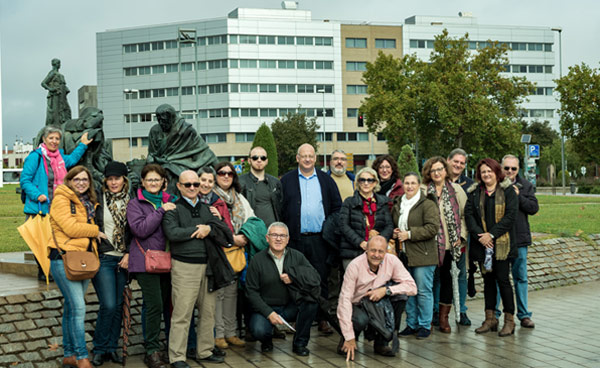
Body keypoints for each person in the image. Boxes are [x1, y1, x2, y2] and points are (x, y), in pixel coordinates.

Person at [162, 170, 224, 367]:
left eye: (195, 184)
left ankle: (204, 351)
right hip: (184, 267)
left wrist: (211, 228)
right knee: (182, 314)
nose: (192, 188)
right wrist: (200, 229)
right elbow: (172, 233)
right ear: (179, 186)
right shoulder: (172, 208)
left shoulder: (208, 209)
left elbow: (221, 231)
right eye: (187, 184)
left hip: (208, 267)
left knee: (208, 312)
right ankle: (177, 357)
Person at [280, 143, 342, 335]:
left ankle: (323, 318)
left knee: (320, 279)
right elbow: (280, 208)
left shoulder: (326, 180)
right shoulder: (287, 180)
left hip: (319, 240)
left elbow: (337, 208)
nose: (307, 159)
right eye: (303, 156)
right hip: (295, 240)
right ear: (297, 158)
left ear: (315, 158)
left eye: (311, 156)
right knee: (295, 279)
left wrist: (329, 230)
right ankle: (299, 319)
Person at [48, 166, 103, 368]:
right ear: (69, 181)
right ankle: (81, 356)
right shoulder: (62, 199)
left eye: (85, 180)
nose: (81, 183)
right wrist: (95, 231)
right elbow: (70, 228)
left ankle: (69, 354)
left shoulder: (86, 202)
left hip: (83, 258)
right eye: (77, 179)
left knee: (71, 308)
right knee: (79, 307)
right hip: (63, 258)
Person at [20, 126, 91, 281]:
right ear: (44, 139)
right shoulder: (36, 157)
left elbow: (72, 160)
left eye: (57, 139)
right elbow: (25, 180)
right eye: (51, 138)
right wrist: (37, 195)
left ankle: (56, 269)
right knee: (42, 241)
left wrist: (83, 144)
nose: (54, 141)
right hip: (41, 207)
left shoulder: (60, 157)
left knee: (57, 239)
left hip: (58, 207)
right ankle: (43, 271)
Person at [126, 164, 176, 368]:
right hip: (145, 262)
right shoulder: (135, 203)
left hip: (168, 260)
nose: (153, 183)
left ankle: (162, 346)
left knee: (163, 304)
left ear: (164, 181)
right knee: (154, 304)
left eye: (157, 179)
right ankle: (152, 350)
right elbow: (141, 229)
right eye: (149, 180)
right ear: (143, 182)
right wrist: (161, 211)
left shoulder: (172, 200)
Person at [337, 236, 417, 360]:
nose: (376, 255)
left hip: (377, 302)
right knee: (360, 320)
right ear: (366, 250)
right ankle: (349, 339)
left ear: (386, 252)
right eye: (373, 250)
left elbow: (412, 287)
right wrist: (349, 336)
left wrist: (386, 290)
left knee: (401, 297)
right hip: (357, 304)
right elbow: (344, 301)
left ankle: (382, 341)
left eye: (381, 251)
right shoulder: (354, 266)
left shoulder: (392, 261)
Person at [245, 222, 319, 356]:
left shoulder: (297, 256)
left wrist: (294, 277)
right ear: (267, 238)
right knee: (258, 330)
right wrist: (269, 313)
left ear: (288, 239)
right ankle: (266, 342)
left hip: (290, 307)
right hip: (266, 309)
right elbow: (251, 292)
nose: (278, 239)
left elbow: (315, 278)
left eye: (282, 235)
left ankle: (299, 344)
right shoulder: (257, 260)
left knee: (311, 303)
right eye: (274, 235)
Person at [464, 158, 518, 337]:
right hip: (483, 246)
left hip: (502, 244)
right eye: (483, 172)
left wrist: (492, 235)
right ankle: (490, 319)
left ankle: (509, 321)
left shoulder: (508, 191)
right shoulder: (475, 192)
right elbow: (469, 215)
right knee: (488, 282)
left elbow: (510, 216)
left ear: (496, 172)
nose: (486, 174)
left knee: (503, 281)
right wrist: (481, 236)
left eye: (489, 171)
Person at [421, 157, 467, 334]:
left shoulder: (456, 190)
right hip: (429, 244)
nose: (437, 173)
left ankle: (443, 318)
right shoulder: (424, 190)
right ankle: (429, 315)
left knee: (447, 281)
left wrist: (461, 236)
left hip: (450, 244)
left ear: (446, 171)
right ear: (428, 173)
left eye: (440, 169)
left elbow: (464, 215)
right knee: (430, 281)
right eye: (433, 170)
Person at [91, 161, 130, 366]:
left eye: (117, 178)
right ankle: (99, 348)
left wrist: (130, 253)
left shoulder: (131, 200)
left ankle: (111, 348)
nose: (114, 182)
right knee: (108, 304)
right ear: (105, 180)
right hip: (104, 257)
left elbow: (136, 230)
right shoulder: (97, 198)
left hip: (123, 259)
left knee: (118, 305)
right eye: (110, 178)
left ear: (124, 180)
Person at [213, 162, 255, 349]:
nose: (226, 176)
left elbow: (251, 219)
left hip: (235, 253)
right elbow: (213, 225)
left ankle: (231, 333)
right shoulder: (209, 197)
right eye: (221, 173)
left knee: (231, 294)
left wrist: (244, 236)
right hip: (217, 252)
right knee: (219, 295)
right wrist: (232, 239)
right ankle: (219, 334)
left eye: (230, 173)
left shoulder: (239, 198)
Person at [393, 172, 439, 340]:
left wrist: (410, 234)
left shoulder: (427, 204)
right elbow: (396, 224)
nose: (409, 186)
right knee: (408, 291)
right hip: (404, 254)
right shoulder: (399, 203)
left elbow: (433, 228)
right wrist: (396, 231)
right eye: (406, 183)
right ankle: (411, 324)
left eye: (413, 183)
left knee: (423, 291)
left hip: (423, 255)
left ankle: (425, 325)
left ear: (419, 185)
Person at [496, 154, 539, 328]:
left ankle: (524, 314)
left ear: (518, 169)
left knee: (520, 277)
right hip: (500, 239)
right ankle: (496, 315)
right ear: (501, 168)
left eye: (513, 169)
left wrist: (518, 195)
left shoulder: (526, 186)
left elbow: (533, 208)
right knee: (499, 278)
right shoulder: (495, 185)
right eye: (506, 168)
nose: (509, 172)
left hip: (519, 239)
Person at [147, 104, 217, 193]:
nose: (161, 123)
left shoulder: (185, 130)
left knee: (173, 176)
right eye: (159, 120)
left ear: (172, 118)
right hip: (161, 162)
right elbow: (152, 153)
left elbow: (202, 149)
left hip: (181, 163)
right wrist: (151, 158)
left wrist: (220, 169)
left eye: (164, 120)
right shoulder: (155, 130)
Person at [339, 167, 393, 269]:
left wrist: (378, 243)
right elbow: (343, 226)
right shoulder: (349, 202)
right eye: (362, 180)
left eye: (370, 180)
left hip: (377, 253)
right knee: (354, 284)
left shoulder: (383, 202)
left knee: (377, 284)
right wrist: (360, 242)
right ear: (358, 182)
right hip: (353, 252)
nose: (366, 183)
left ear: (375, 183)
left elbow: (389, 226)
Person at [444, 148, 474, 326]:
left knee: (462, 274)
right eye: (455, 161)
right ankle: (439, 312)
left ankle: (461, 310)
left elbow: (468, 214)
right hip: (441, 239)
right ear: (448, 160)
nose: (458, 165)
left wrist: (462, 236)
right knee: (441, 275)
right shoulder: (438, 180)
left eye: (462, 163)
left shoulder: (469, 185)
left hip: (461, 239)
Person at [239, 146, 282, 228]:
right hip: (252, 231)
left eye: (263, 158)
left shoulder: (275, 182)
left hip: (273, 232)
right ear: (249, 160)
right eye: (255, 158)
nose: (259, 160)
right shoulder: (240, 182)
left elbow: (281, 208)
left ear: (266, 161)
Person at [41, 58, 71, 127]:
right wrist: (51, 89)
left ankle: (63, 126)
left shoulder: (60, 75)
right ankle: (54, 128)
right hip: (55, 95)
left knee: (66, 110)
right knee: (55, 113)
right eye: (58, 63)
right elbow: (43, 83)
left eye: (60, 63)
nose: (60, 65)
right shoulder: (53, 73)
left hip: (62, 96)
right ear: (54, 64)